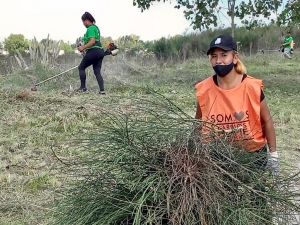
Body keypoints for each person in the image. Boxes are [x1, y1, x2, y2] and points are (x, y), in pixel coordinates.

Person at [195, 34, 279, 176]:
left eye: (223, 55)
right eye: (214, 56)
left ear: (235, 58)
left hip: (252, 155)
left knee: (255, 195)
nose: (218, 61)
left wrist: (273, 154)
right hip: (218, 156)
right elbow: (197, 124)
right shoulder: (205, 90)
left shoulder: (252, 87)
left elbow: (267, 122)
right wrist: (196, 151)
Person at [77, 12, 106, 95]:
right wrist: (84, 47)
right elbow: (95, 41)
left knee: (81, 68)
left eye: (83, 22)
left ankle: (83, 87)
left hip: (94, 51)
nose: (83, 24)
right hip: (100, 51)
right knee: (97, 71)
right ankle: (102, 91)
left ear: (86, 20)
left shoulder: (90, 28)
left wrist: (83, 47)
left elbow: (92, 41)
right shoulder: (96, 28)